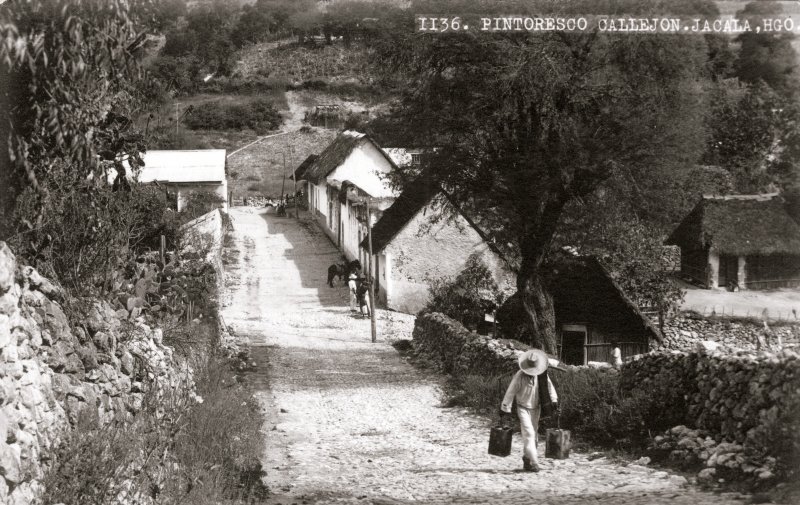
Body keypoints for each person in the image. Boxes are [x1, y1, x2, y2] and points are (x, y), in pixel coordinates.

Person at [500, 349, 559, 472]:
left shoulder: (542, 375)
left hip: (536, 408)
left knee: (534, 436)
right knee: (529, 434)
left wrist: (554, 400)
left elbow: (549, 387)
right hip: (522, 408)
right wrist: (505, 407)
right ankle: (534, 462)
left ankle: (527, 459)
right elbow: (511, 392)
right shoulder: (519, 376)